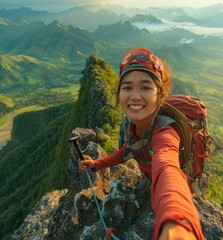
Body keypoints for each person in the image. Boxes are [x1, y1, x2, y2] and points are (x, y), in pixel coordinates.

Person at [79, 47, 203, 240]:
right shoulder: (134, 125)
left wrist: (178, 222)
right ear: (119, 93)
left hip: (166, 190)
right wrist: (97, 164)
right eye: (127, 87)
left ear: (160, 96)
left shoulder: (164, 132)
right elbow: (127, 151)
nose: (135, 96)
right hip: (149, 181)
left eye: (145, 87)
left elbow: (167, 167)